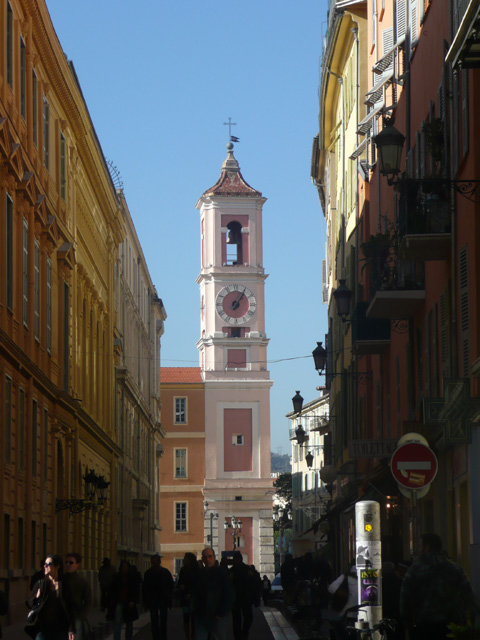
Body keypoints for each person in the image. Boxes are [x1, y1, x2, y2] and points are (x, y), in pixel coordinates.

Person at [400, 533, 474, 640]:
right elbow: (468, 596)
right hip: (450, 627)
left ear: (427, 547)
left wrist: (409, 625)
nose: (419, 550)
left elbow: (405, 600)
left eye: (420, 546)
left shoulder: (415, 570)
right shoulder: (455, 569)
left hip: (424, 627)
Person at [191, 547, 234, 640]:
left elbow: (228, 595)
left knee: (218, 636)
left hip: (217, 614)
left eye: (210, 556)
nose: (208, 559)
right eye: (205, 557)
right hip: (201, 614)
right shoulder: (199, 574)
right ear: (202, 559)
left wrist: (221, 613)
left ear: (214, 557)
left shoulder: (221, 574)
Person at [26, 554, 71, 640]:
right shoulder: (39, 583)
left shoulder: (65, 585)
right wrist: (37, 596)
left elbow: (71, 608)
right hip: (42, 629)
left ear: (57, 566)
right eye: (44, 564)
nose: (45, 566)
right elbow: (28, 603)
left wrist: (72, 629)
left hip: (61, 629)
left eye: (48, 564)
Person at [142, 554, 174, 640]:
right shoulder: (149, 573)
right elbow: (145, 588)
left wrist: (169, 600)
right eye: (153, 561)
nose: (154, 563)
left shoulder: (164, 572)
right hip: (154, 600)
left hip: (162, 599)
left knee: (162, 621)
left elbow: (170, 587)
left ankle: (162, 637)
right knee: (155, 621)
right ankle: (157, 637)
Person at [62, 553, 92, 640]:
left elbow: (88, 601)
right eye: (66, 562)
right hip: (60, 619)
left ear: (77, 565)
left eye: (71, 563)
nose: (68, 564)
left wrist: (81, 616)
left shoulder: (82, 581)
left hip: (75, 618)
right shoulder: (60, 580)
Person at [111, 560, 140, 640]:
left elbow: (135, 590)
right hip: (119, 602)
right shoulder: (117, 577)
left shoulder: (132, 577)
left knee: (129, 623)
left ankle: (128, 638)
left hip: (129, 602)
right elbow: (113, 590)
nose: (125, 568)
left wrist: (133, 601)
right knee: (117, 622)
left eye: (126, 567)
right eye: (123, 566)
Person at [229, 552, 255, 640]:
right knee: (246, 618)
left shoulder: (233, 570)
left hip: (239, 598)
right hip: (244, 597)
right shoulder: (247, 569)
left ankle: (240, 635)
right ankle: (242, 634)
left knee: (239, 619)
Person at [176, 552, 200, 640]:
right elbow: (179, 583)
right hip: (185, 598)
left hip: (193, 599)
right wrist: (181, 586)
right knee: (186, 618)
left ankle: (193, 636)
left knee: (194, 619)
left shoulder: (196, 570)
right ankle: (187, 637)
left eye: (185, 559)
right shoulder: (183, 570)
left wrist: (191, 593)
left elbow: (198, 584)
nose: (184, 560)